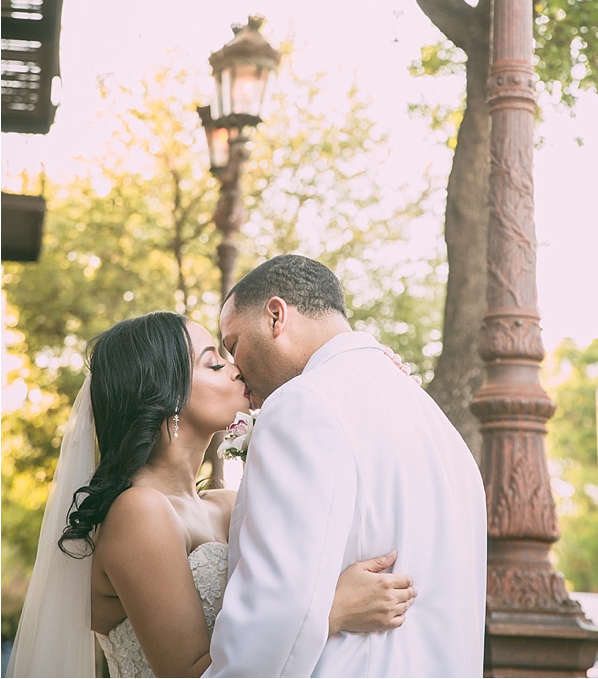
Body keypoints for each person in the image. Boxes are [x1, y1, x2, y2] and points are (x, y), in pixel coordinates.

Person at [7, 311, 416, 678]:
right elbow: (191, 673)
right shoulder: (139, 511)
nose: (236, 369)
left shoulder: (227, 503)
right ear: (165, 394)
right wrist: (333, 612)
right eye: (214, 363)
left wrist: (367, 387)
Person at [206, 254, 487, 678]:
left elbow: (275, 612)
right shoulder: (442, 430)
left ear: (275, 317)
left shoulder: (304, 404)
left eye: (234, 345)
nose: (236, 369)